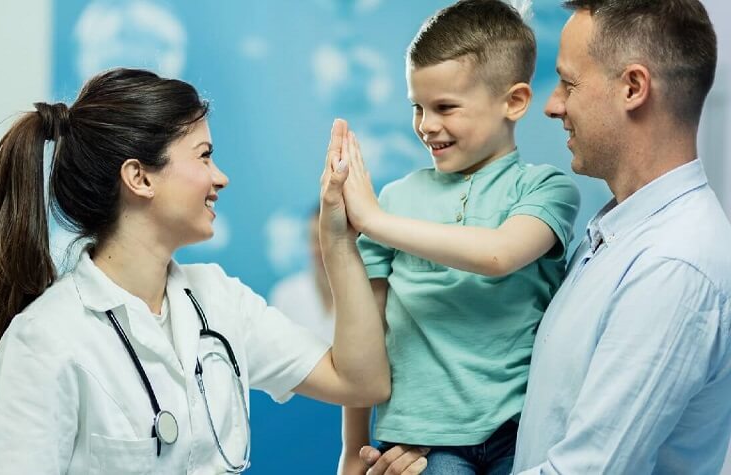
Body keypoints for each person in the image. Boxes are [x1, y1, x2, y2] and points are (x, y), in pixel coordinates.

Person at [0, 68, 389, 474]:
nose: (221, 178)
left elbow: (361, 382)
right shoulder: (43, 340)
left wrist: (336, 242)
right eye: (204, 156)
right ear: (139, 178)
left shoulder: (219, 299)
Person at [336, 1, 580, 474]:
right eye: (418, 107)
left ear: (514, 101)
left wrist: (372, 221)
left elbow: (498, 254)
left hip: (522, 432)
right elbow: (367, 331)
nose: (426, 125)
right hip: (419, 446)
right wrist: (352, 447)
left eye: (446, 107)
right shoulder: (394, 199)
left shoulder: (545, 189)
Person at [510, 1, 731, 473]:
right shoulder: (619, 236)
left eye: (568, 83)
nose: (552, 105)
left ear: (633, 87)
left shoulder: (673, 266)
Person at [269, 206, 334, 343]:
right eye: (314, 239)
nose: (320, 249)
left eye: (328, 240)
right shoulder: (286, 294)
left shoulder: (367, 295)